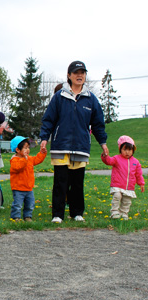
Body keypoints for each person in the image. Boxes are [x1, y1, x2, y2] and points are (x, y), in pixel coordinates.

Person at [39, 60, 109, 223]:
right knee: (60, 182)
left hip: (81, 147)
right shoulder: (59, 97)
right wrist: (44, 138)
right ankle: (57, 214)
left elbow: (98, 123)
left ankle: (77, 213)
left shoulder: (91, 99)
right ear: (69, 76)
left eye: (82, 73)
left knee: (77, 183)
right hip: (61, 146)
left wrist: (103, 143)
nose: (80, 75)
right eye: (76, 73)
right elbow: (48, 119)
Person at [101, 135, 145, 220]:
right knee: (117, 197)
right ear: (120, 149)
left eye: (129, 150)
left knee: (127, 201)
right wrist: (105, 156)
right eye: (125, 149)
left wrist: (141, 183)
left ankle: (124, 213)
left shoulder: (136, 162)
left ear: (133, 150)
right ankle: (114, 212)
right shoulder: (116, 159)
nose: (127, 152)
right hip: (117, 185)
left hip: (129, 187)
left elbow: (138, 174)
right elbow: (108, 161)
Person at [9, 136, 47, 222]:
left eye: (28, 147)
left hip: (29, 187)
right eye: (25, 148)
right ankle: (16, 217)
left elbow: (37, 160)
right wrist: (25, 159)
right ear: (18, 150)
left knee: (30, 204)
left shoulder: (29, 159)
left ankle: (28, 216)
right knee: (17, 204)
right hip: (18, 188)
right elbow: (19, 167)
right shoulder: (15, 160)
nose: (28, 150)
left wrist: (42, 153)